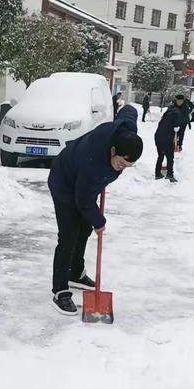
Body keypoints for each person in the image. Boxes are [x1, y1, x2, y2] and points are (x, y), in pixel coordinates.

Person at [48, 105, 143, 315]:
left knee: (84, 228)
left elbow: (128, 113)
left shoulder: (126, 136)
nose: (122, 169)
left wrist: (129, 107)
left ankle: (76, 273)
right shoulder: (94, 162)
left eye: (127, 166)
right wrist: (99, 221)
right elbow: (82, 200)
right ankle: (60, 290)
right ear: (112, 152)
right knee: (69, 235)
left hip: (84, 181)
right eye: (120, 164)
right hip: (64, 181)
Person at [154, 95, 182, 182]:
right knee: (170, 157)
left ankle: (157, 174)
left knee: (160, 156)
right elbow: (176, 127)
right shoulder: (176, 113)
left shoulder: (167, 113)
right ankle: (170, 174)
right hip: (166, 139)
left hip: (158, 137)